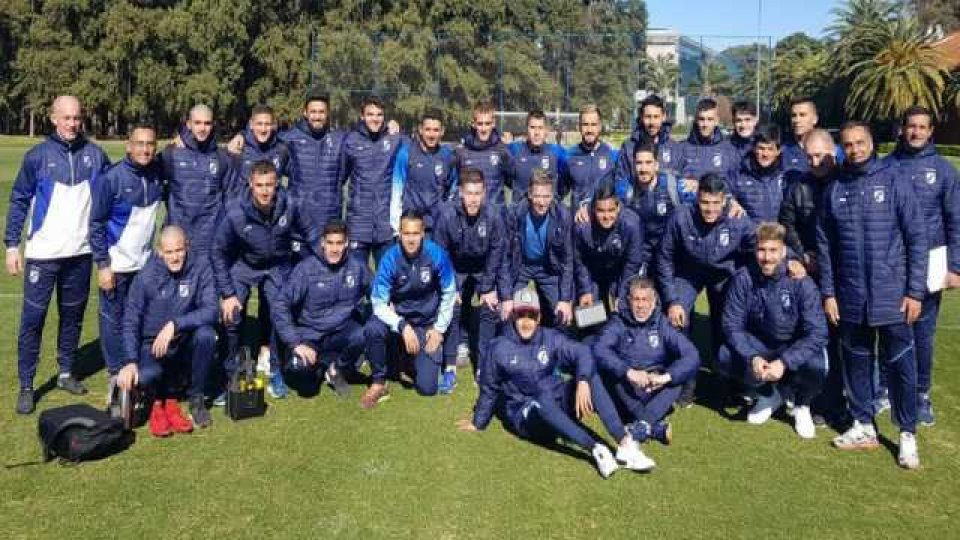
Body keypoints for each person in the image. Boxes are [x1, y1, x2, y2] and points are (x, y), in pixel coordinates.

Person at [817, 121, 927, 469]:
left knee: (900, 365)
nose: (854, 150)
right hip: (850, 296)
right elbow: (824, 245)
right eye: (847, 145)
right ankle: (863, 424)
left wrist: (914, 291)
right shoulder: (835, 188)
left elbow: (916, 238)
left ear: (871, 143)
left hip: (892, 295)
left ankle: (907, 432)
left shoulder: (893, 179)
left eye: (859, 143)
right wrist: (829, 292)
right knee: (857, 362)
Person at [457, 288, 656, 476]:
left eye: (531, 315)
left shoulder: (550, 338)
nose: (526, 322)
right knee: (542, 399)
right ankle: (596, 449)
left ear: (539, 317)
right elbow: (489, 388)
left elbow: (583, 352)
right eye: (521, 315)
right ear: (513, 317)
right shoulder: (499, 347)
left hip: (556, 400)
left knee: (590, 375)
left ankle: (624, 444)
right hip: (526, 414)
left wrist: (583, 380)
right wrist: (478, 422)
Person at [6, 95, 110, 413]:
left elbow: (113, 190)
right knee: (33, 320)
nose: (73, 123)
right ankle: (27, 384)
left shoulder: (95, 154)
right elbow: (20, 199)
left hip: (80, 254)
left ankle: (66, 371)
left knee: (72, 318)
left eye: (77, 118)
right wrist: (12, 245)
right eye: (66, 118)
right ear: (53, 118)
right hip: (43, 254)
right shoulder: (37, 156)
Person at [211, 161, 317, 400]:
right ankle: (230, 375)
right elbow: (217, 251)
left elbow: (312, 234)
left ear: (277, 183)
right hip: (244, 265)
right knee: (232, 317)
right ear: (251, 184)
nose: (265, 190)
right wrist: (228, 294)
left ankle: (276, 370)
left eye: (270, 184)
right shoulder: (235, 210)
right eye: (259, 185)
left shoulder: (290, 204)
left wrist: (319, 265)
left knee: (280, 314)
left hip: (277, 266)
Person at [883, 106, 960, 427]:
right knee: (889, 327)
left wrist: (955, 266)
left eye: (921, 127)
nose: (915, 132)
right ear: (902, 129)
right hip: (890, 262)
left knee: (923, 332)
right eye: (910, 126)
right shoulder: (885, 166)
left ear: (930, 131)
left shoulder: (943, 171)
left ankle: (920, 394)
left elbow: (956, 219)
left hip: (930, 262)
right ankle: (887, 388)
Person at [719, 223, 828, 439]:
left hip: (793, 344)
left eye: (772, 250)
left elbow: (818, 332)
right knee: (725, 356)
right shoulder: (743, 278)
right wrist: (752, 357)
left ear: (784, 252)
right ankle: (769, 395)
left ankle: (802, 405)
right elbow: (731, 325)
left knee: (817, 366)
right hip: (761, 344)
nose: (766, 257)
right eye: (761, 250)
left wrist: (785, 362)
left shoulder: (801, 281)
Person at [117, 226, 219, 435]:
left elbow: (211, 310)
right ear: (159, 252)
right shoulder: (146, 276)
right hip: (152, 345)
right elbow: (130, 320)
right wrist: (129, 361)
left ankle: (196, 399)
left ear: (187, 247)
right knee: (146, 376)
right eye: (169, 252)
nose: (175, 257)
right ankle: (154, 401)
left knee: (207, 335)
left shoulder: (200, 267)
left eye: (179, 250)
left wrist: (175, 325)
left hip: (182, 340)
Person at [778, 128, 846, 427]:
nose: (815, 161)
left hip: (844, 273)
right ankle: (804, 395)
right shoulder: (799, 187)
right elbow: (787, 223)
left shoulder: (847, 182)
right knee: (807, 335)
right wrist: (801, 254)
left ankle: (837, 400)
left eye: (820, 155)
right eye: (809, 156)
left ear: (834, 153)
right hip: (808, 272)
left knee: (840, 340)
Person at [89, 124, 164, 395]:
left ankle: (136, 369)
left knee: (140, 318)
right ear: (128, 145)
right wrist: (103, 264)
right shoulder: (112, 178)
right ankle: (114, 373)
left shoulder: (157, 173)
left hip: (144, 265)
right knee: (113, 320)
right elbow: (96, 223)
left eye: (150, 144)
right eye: (139, 143)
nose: (145, 149)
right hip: (116, 265)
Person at [365, 210, 457, 406]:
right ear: (399, 233)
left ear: (423, 233)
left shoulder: (436, 254)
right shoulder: (390, 258)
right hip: (399, 324)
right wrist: (402, 326)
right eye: (406, 233)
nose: (411, 239)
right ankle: (379, 381)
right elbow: (378, 303)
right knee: (373, 327)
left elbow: (450, 293)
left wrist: (439, 329)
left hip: (426, 325)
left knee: (427, 388)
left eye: (415, 233)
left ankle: (410, 358)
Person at [593, 277, 700, 446]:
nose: (641, 305)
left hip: (655, 387)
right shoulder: (618, 322)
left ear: (654, 301)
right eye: (636, 299)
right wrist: (628, 372)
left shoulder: (662, 323)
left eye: (645, 300)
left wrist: (664, 378)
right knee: (609, 374)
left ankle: (640, 427)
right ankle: (652, 426)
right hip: (627, 388)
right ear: (629, 300)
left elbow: (692, 354)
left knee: (680, 375)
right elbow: (599, 349)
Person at [272, 220, 371, 399]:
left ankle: (337, 367)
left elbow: (378, 290)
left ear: (347, 243)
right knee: (304, 384)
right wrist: (296, 343)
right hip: (310, 333)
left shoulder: (357, 266)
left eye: (339, 243)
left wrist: (390, 302)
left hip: (341, 330)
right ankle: (320, 365)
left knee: (367, 332)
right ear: (323, 243)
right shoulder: (306, 269)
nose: (334, 249)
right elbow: (280, 304)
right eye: (330, 243)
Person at [432, 169, 508, 391]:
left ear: (484, 193)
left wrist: (488, 288)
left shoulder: (494, 215)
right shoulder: (446, 215)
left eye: (477, 193)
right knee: (452, 307)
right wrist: (451, 287)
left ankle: (482, 366)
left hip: (483, 268)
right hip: (455, 267)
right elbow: (440, 254)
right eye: (469, 193)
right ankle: (450, 366)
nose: (473, 198)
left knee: (488, 308)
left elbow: (497, 252)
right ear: (460, 193)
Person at [501, 170, 575, 329]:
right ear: (529, 195)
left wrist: (565, 299)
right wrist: (506, 297)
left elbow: (567, 260)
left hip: (549, 267)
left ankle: (553, 345)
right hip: (521, 265)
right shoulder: (514, 213)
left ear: (553, 195)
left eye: (546, 197)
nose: (542, 203)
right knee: (507, 312)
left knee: (562, 314)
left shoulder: (563, 216)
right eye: (538, 196)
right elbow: (505, 258)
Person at [162, 104, 237, 256]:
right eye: (197, 123)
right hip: (178, 238)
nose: (202, 128)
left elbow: (231, 198)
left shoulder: (222, 158)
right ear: (189, 124)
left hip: (210, 239)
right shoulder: (171, 154)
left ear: (213, 125)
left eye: (207, 123)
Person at [342, 96, 404, 264]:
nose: (375, 119)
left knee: (387, 283)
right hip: (357, 226)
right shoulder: (350, 141)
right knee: (355, 281)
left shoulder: (394, 139)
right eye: (370, 114)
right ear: (362, 116)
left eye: (379, 115)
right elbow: (340, 177)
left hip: (385, 226)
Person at [279, 89, 347, 237]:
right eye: (313, 112)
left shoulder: (340, 140)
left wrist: (389, 128)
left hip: (329, 225)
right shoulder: (289, 138)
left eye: (321, 112)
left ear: (328, 113)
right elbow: (262, 138)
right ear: (305, 113)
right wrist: (242, 135)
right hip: (298, 227)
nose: (317, 116)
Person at [617, 143, 692, 275]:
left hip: (670, 256)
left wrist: (729, 204)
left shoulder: (673, 185)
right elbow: (605, 203)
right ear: (633, 165)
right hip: (640, 256)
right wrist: (586, 208)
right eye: (639, 163)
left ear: (656, 165)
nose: (643, 168)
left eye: (648, 162)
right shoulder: (626, 188)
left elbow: (702, 205)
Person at [573, 184, 644, 315]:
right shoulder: (582, 226)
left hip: (620, 271)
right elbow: (580, 261)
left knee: (622, 311)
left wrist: (622, 294)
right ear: (593, 209)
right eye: (601, 211)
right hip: (593, 272)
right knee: (588, 315)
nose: (606, 216)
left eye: (611, 210)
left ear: (618, 208)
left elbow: (632, 263)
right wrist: (585, 290)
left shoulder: (631, 224)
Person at [389, 110, 457, 234]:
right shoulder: (406, 154)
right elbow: (396, 192)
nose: (431, 135)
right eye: (428, 129)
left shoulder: (448, 157)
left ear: (442, 131)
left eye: (436, 130)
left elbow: (453, 190)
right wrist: (396, 226)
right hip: (411, 225)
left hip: (437, 225)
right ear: (420, 129)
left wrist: (446, 215)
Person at [454, 100, 512, 205]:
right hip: (470, 216)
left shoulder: (502, 150)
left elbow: (513, 182)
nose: (484, 128)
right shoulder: (461, 152)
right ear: (473, 124)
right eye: (480, 124)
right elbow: (455, 185)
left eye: (487, 123)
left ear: (493, 123)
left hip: (495, 216)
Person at [727, 125, 790, 222]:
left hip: (776, 234)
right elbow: (722, 193)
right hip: (748, 234)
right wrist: (730, 201)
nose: (765, 154)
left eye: (770, 149)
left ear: (778, 151)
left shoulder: (786, 176)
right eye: (761, 148)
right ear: (753, 148)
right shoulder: (740, 173)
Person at [567, 104, 618, 221]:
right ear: (578, 127)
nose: (589, 130)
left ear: (600, 126)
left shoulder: (612, 155)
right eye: (585, 125)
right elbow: (558, 192)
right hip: (578, 224)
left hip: (605, 223)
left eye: (593, 125)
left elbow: (620, 192)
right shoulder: (569, 156)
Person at [616, 95, 682, 183]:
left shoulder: (674, 148)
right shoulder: (628, 147)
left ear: (663, 117)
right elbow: (621, 179)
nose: (652, 122)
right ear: (641, 117)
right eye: (648, 117)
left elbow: (680, 179)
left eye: (656, 117)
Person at [506, 109, 568, 202]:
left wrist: (555, 199)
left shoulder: (557, 152)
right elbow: (505, 177)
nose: (536, 133)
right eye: (532, 127)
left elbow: (566, 181)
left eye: (540, 128)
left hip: (548, 213)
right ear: (527, 129)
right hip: (520, 214)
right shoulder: (514, 149)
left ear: (546, 130)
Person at [676, 98, 739, 181]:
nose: (705, 124)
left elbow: (735, 184)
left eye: (710, 119)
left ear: (716, 121)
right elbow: (672, 180)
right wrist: (683, 184)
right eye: (702, 119)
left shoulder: (729, 149)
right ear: (696, 120)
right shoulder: (681, 148)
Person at [231, 105, 290, 188]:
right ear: (251, 124)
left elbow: (297, 179)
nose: (263, 129)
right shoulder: (238, 148)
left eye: (267, 124)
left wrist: (283, 198)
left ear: (273, 125)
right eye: (259, 124)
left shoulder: (282, 150)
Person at [730, 100, 758, 164]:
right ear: (733, 122)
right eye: (739, 120)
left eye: (747, 120)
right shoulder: (724, 147)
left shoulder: (765, 147)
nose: (743, 125)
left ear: (755, 121)